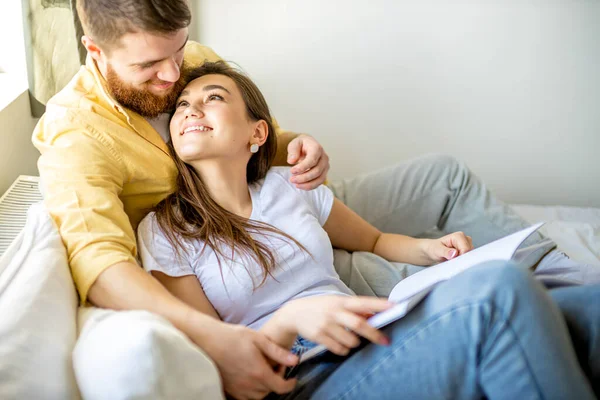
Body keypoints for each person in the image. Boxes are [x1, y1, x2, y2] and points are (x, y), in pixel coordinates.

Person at [31, 0, 598, 398]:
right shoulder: (78, 140)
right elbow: (100, 263)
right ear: (95, 52)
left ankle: (551, 269)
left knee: (577, 302)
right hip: (241, 275)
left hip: (276, 205)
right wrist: (239, 340)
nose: (174, 78)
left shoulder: (249, 147)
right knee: (496, 294)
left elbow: (256, 129)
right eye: (151, 68)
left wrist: (290, 145)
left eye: (178, 53)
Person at [137, 60, 598, 400]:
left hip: (370, 332)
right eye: (181, 105)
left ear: (257, 134)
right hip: (303, 376)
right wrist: (288, 321)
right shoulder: (167, 230)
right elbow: (214, 354)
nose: (190, 109)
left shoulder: (289, 186)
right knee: (498, 291)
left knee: (588, 306)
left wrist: (431, 249)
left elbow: (374, 240)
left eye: (212, 98)